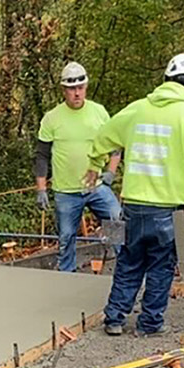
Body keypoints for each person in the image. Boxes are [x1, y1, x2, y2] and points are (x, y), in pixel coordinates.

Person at [84, 53, 184, 336]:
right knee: (163, 265)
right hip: (172, 208)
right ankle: (150, 324)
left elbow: (103, 136)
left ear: (165, 80)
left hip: (133, 204)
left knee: (129, 261)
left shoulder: (137, 110)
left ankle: (115, 318)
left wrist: (95, 165)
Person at [34, 61, 121, 272]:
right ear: (64, 89)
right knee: (66, 238)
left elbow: (115, 146)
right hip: (66, 191)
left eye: (80, 88)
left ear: (86, 87)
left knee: (117, 223)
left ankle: (126, 272)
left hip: (96, 186)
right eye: (72, 88)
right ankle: (67, 276)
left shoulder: (99, 113)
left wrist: (111, 171)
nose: (76, 93)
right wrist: (41, 189)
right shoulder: (52, 118)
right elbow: (41, 155)